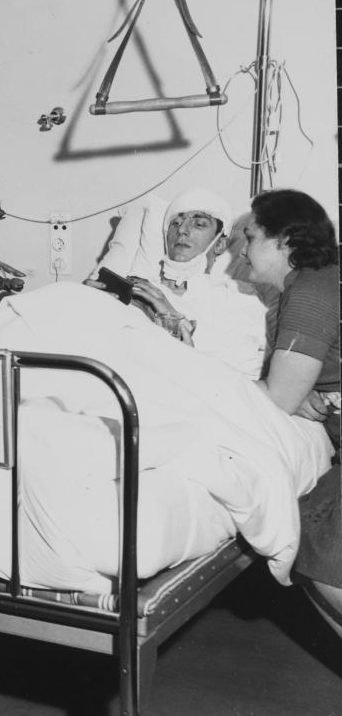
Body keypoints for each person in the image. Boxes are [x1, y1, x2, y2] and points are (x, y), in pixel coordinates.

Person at [240, 188, 340, 640]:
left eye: (252, 235)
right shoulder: (318, 281)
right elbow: (295, 391)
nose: (244, 248)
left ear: (284, 240)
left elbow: (278, 396)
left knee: (320, 550)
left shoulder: (311, 291)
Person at [88, 187, 269, 378]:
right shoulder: (138, 287)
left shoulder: (237, 296)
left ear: (220, 244)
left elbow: (249, 364)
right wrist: (92, 303)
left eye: (199, 224)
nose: (182, 230)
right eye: (175, 223)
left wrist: (174, 317)